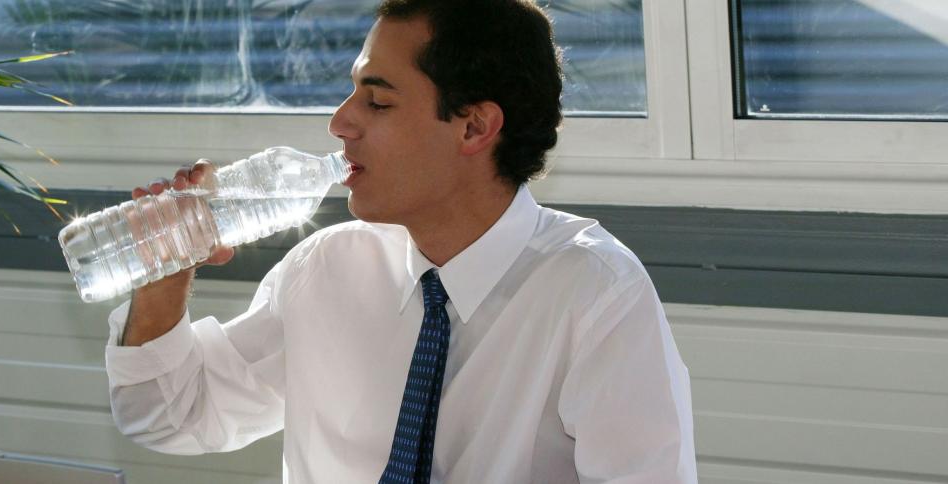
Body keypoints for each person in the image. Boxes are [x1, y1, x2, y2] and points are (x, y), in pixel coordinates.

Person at [105, 0, 697, 482]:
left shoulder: (594, 295)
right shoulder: (328, 265)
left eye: (378, 100)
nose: (339, 122)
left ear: (474, 127)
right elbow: (169, 416)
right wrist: (168, 270)